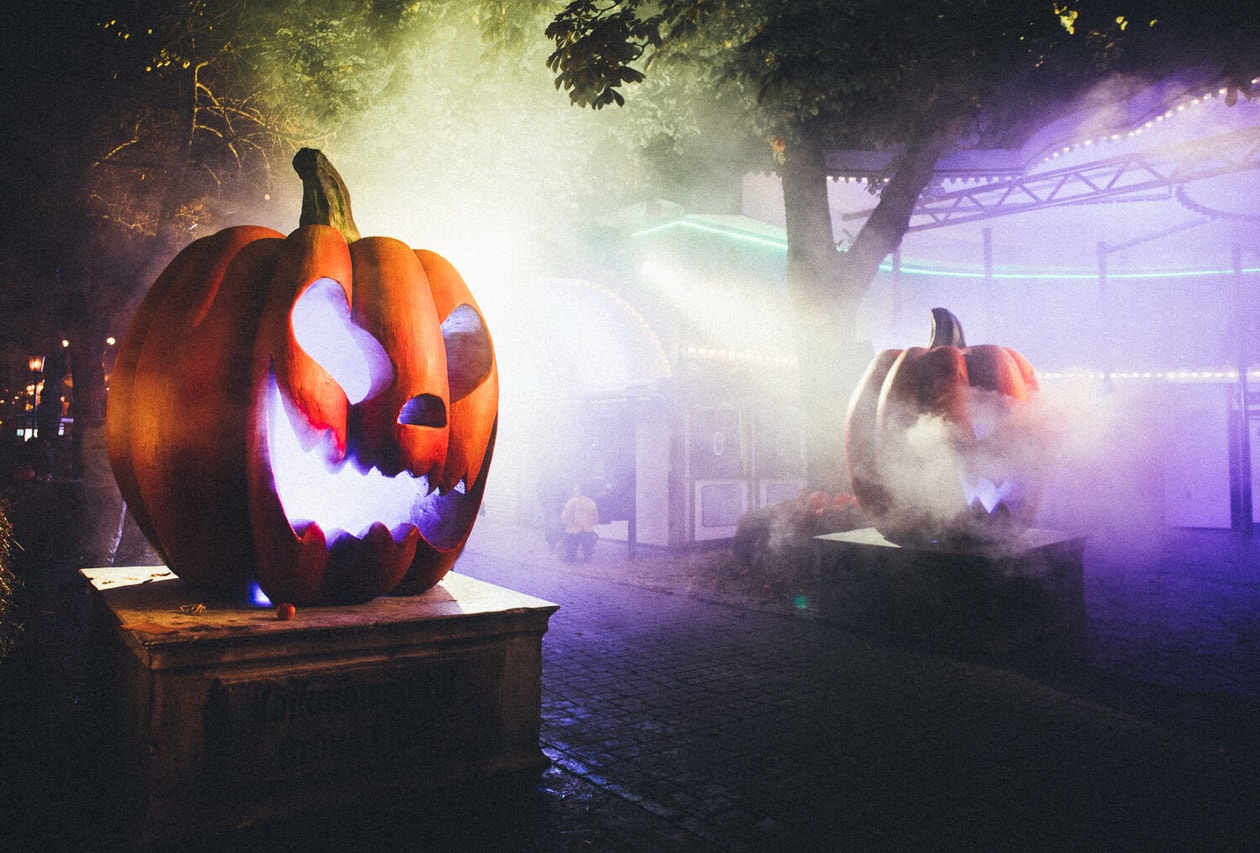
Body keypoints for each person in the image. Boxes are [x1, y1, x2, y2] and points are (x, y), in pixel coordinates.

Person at [560, 485, 599, 562]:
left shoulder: (571, 501)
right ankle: (587, 559)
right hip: (587, 531)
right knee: (587, 549)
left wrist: (566, 522)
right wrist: (587, 523)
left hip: (572, 531)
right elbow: (595, 520)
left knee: (571, 550)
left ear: (579, 491)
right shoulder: (592, 503)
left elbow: (564, 516)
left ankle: (571, 559)